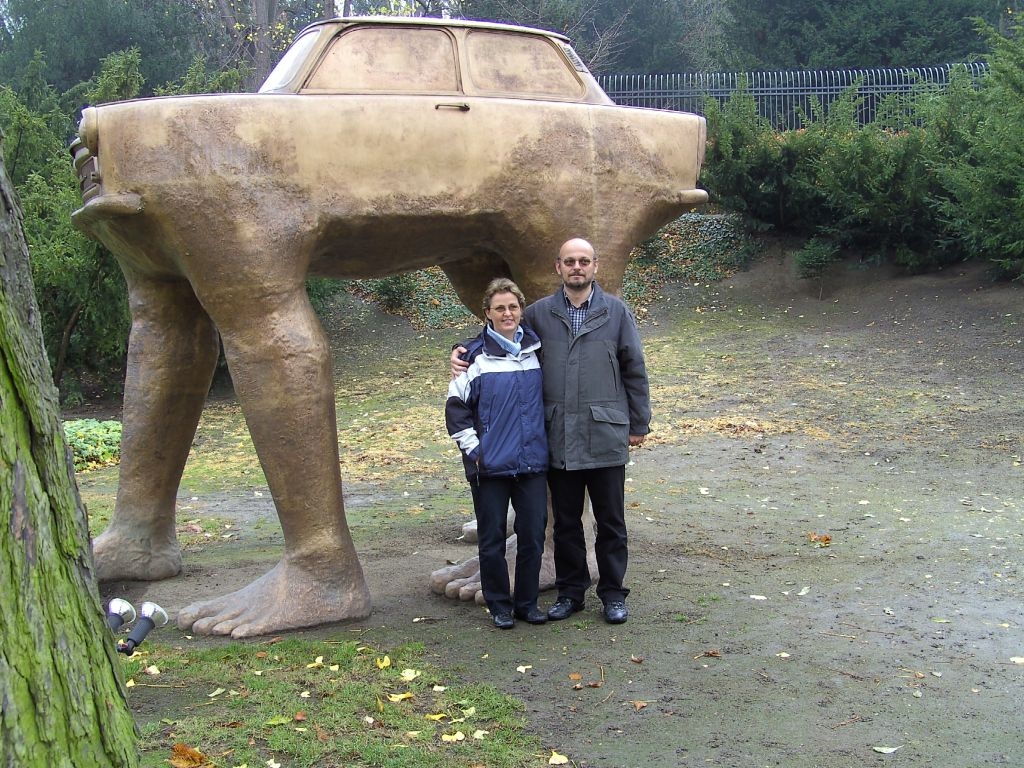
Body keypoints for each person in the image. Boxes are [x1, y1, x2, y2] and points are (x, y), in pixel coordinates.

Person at [452, 238, 650, 624]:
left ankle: (613, 593)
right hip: (558, 436)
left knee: (611, 522)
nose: (577, 267)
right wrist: (462, 351)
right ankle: (571, 591)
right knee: (565, 523)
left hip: (605, 434)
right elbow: (502, 335)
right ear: (558, 267)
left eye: (583, 261)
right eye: (569, 261)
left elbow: (634, 366)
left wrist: (639, 422)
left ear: (595, 266)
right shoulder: (540, 313)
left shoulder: (616, 312)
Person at [445, 278, 549, 629]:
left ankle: (527, 604)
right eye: (500, 308)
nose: (508, 313)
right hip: (489, 467)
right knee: (491, 540)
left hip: (531, 463)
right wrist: (477, 452)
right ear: (487, 313)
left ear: (521, 310)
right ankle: (499, 605)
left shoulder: (536, 350)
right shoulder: (472, 358)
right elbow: (455, 409)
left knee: (532, 536)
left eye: (513, 307)